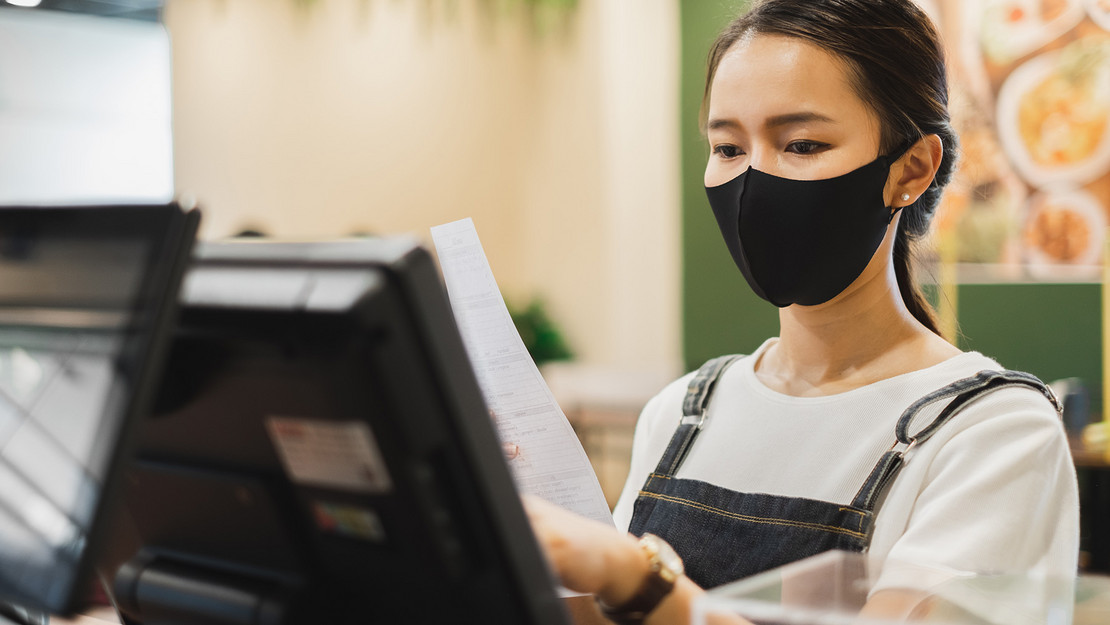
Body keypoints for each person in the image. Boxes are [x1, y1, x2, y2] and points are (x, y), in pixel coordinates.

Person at [523, 1, 1080, 623]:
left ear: (911, 169)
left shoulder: (992, 436)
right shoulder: (681, 414)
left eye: (802, 143)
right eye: (728, 147)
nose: (754, 178)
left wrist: (638, 579)